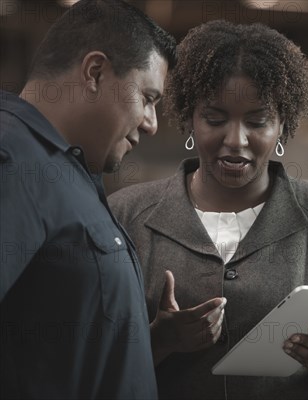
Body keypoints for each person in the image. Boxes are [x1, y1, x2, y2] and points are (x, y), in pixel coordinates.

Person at [108, 20, 308, 400]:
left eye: (258, 121)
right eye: (215, 119)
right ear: (189, 117)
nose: (235, 140)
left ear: (282, 126)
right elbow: (93, 359)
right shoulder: (128, 214)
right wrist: (159, 342)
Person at [0, 0, 176, 398]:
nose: (151, 124)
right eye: (148, 98)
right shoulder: (15, 161)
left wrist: (150, 339)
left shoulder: (68, 170)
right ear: (95, 72)